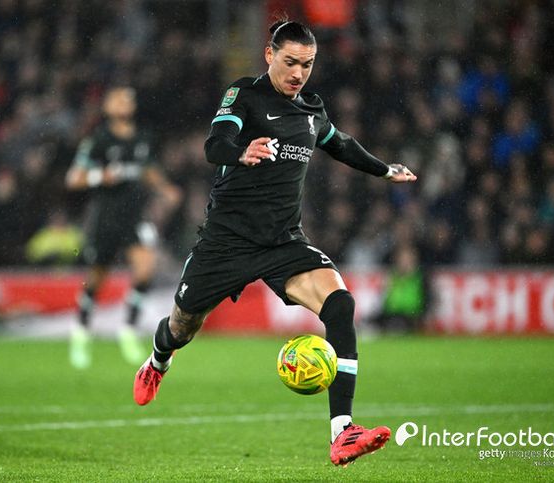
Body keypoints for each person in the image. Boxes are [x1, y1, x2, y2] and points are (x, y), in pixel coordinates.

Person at [133, 20, 416, 466]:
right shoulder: (244, 95)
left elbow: (340, 144)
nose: (298, 73)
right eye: (290, 62)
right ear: (269, 55)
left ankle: (343, 431)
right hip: (226, 242)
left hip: (283, 242)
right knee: (182, 326)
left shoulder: (312, 111)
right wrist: (240, 153)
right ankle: (157, 361)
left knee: (340, 304)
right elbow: (214, 144)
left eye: (307, 64)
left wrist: (384, 170)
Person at [65, 86, 181, 369]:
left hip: (135, 216)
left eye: (128, 99)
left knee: (146, 268)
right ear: (107, 107)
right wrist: (99, 176)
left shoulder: (142, 138)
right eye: (118, 99)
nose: (124, 103)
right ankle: (81, 331)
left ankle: (128, 329)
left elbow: (147, 169)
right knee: (97, 277)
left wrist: (165, 188)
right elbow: (73, 178)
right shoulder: (98, 140)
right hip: (105, 218)